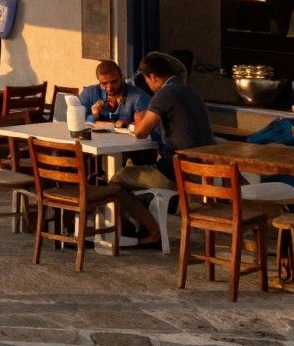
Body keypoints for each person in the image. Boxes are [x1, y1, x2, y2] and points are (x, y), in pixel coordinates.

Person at [112, 51, 216, 245]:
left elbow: (141, 131)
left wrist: (138, 120)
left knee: (117, 180)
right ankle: (140, 226)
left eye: (146, 80)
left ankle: (152, 232)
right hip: (202, 170)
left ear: (152, 77)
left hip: (176, 172)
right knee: (134, 168)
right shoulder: (191, 91)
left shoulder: (165, 93)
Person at [78, 59, 150, 125]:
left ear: (122, 78)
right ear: (99, 81)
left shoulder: (139, 97)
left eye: (114, 82)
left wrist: (127, 124)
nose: (109, 87)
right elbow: (77, 122)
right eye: (104, 83)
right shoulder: (88, 93)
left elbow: (148, 127)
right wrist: (94, 115)